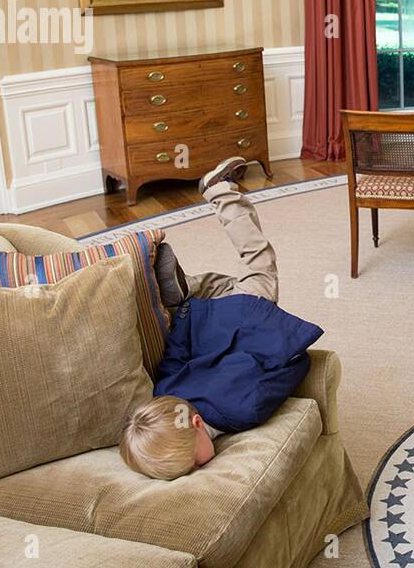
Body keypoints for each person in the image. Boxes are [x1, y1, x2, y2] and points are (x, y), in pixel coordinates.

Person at [119, 156, 321, 480]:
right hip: (201, 320)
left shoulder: (244, 410)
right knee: (225, 286)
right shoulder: (165, 393)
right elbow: (173, 357)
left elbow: (293, 367)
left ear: (198, 425)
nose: (198, 469)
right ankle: (184, 294)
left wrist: (295, 350)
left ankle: (219, 191)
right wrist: (184, 317)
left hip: (248, 313)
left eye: (195, 464)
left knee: (256, 258)